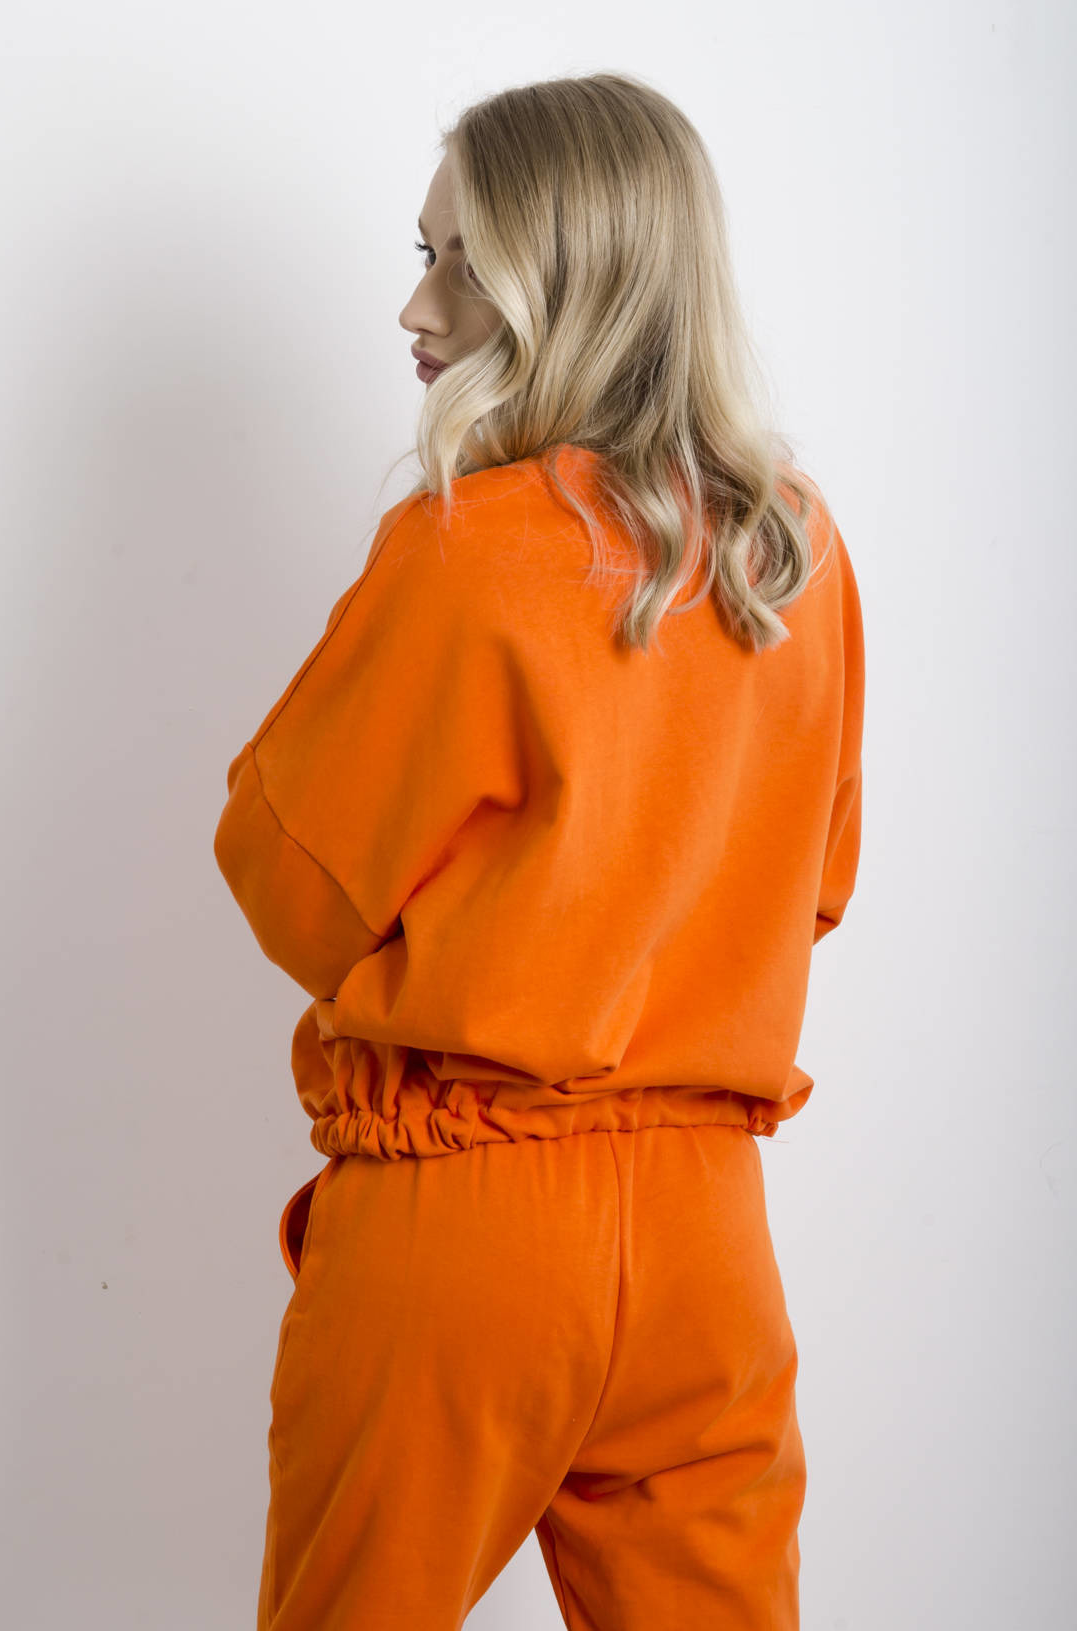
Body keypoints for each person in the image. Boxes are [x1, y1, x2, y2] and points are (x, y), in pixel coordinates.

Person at [214, 70, 865, 1631]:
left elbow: (291, 884)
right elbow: (816, 886)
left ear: (566, 283)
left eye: (460, 260)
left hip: (468, 1220)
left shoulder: (468, 548)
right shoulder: (794, 552)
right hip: (708, 1242)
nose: (414, 305)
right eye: (424, 252)